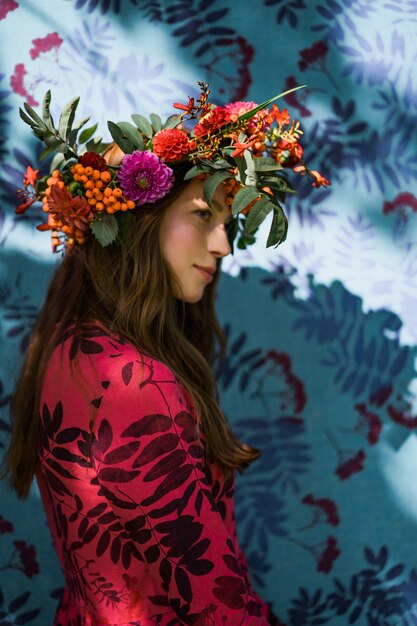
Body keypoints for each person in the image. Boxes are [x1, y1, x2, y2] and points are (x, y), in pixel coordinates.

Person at [3, 82, 328, 625]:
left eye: (227, 225)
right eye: (204, 216)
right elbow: (217, 604)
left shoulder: (71, 347)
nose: (224, 246)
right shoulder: (131, 381)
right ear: (140, 220)